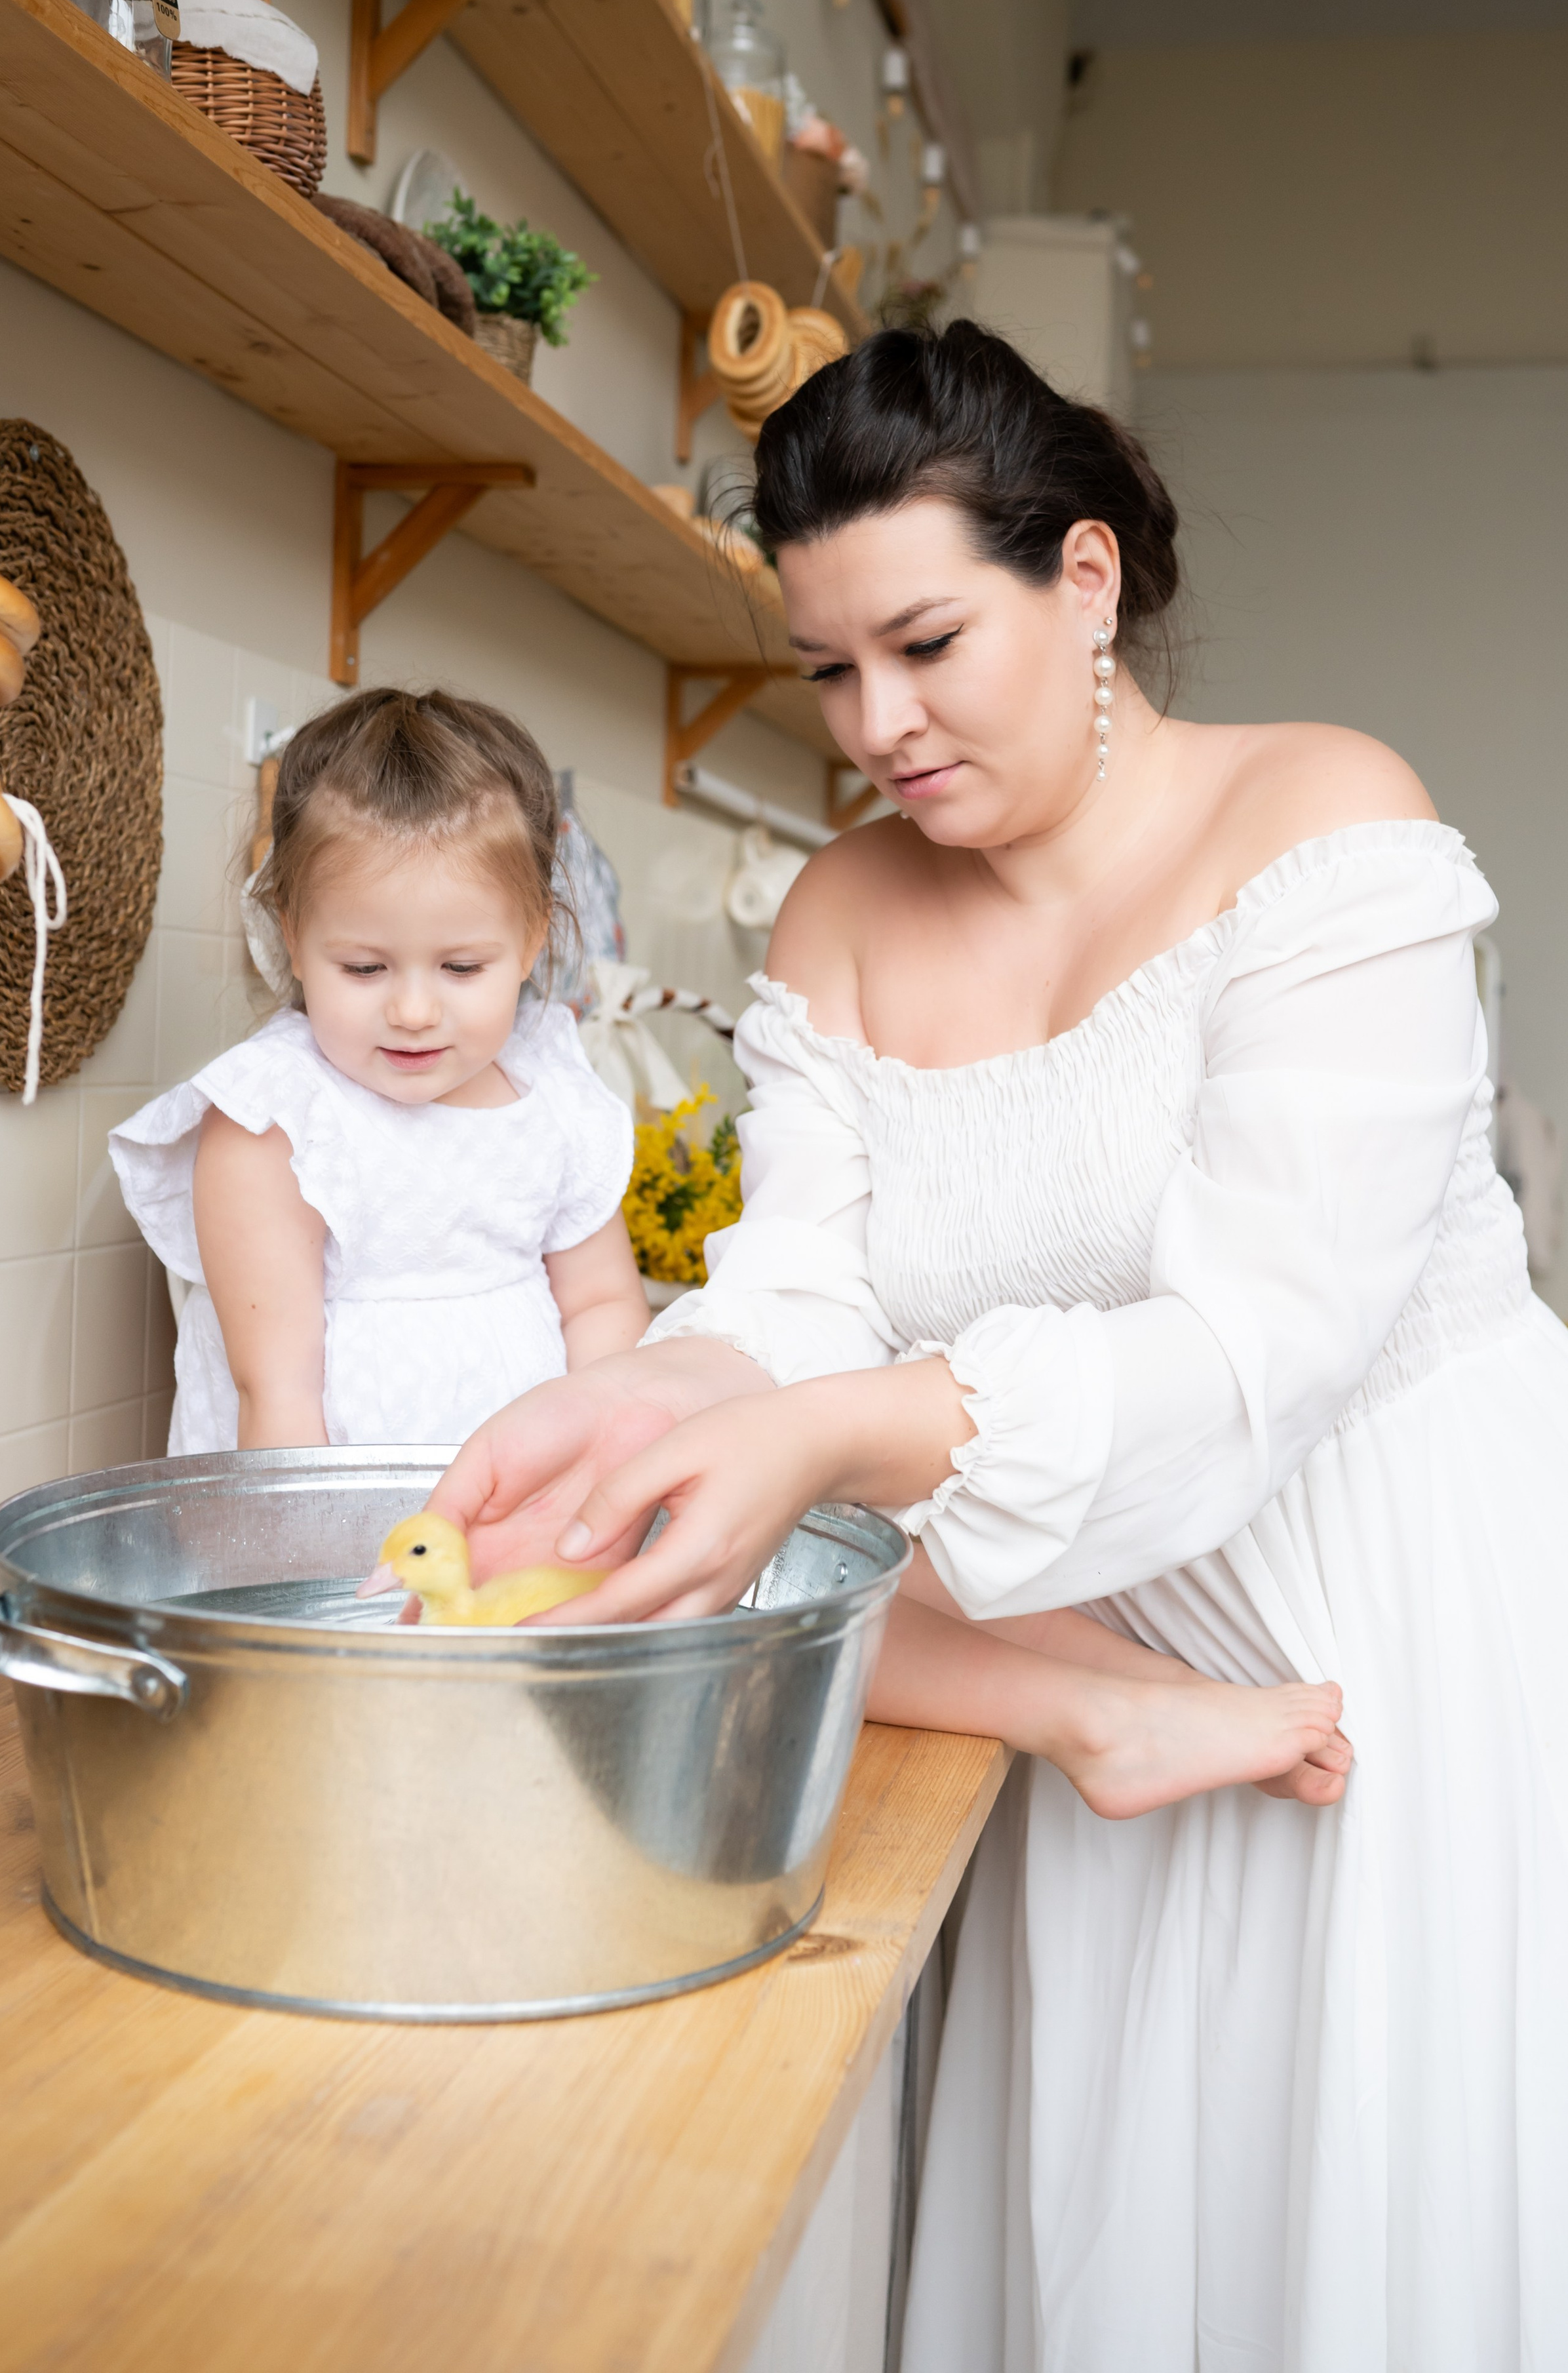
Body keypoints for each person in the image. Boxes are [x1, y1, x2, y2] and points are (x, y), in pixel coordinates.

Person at [420, 323, 1568, 2366]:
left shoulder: (1325, 823)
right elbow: (794, 1301)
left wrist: (831, 1434)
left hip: (1399, 1611)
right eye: (828, 669)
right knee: (1140, 2217)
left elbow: (1259, 1341)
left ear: (1087, 577)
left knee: (1367, 2207)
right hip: (1096, 1640)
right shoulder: (843, 913)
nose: (877, 722)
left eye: (927, 643)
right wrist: (642, 1393)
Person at [111, 688, 648, 1452]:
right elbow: (277, 1394)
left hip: (528, 1492)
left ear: (533, 940)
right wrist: (316, 1534)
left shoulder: (552, 1094)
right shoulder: (275, 1119)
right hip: (327, 1500)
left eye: (462, 967)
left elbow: (602, 1305)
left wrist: (593, 1462)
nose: (414, 1010)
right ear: (293, 937)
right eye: (365, 967)